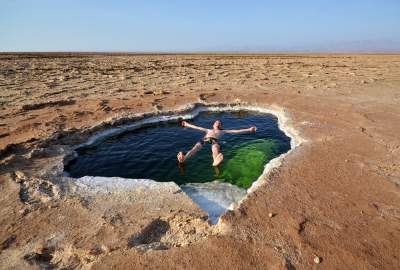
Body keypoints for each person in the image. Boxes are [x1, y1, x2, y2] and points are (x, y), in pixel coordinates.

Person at [177, 119, 257, 167]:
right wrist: (187, 124)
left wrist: (249, 129)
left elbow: (236, 131)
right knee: (195, 148)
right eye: (216, 122)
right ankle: (184, 158)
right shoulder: (208, 130)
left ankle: (215, 160)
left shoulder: (223, 131)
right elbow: (197, 127)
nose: (218, 123)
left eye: (219, 123)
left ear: (221, 125)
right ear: (213, 124)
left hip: (214, 140)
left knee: (215, 148)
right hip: (205, 139)